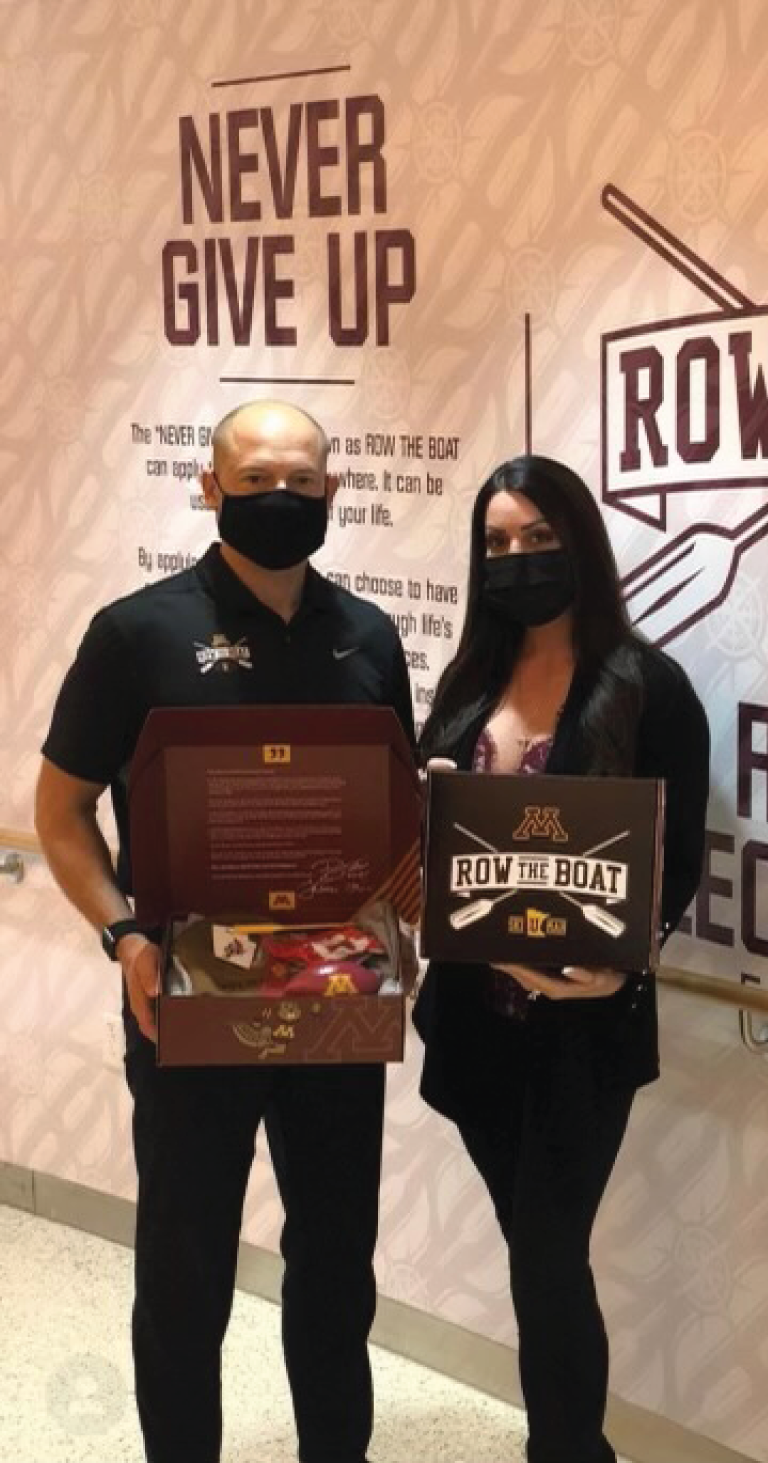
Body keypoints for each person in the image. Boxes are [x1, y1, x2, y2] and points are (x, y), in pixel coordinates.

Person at [35, 400, 414, 1463]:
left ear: (335, 493)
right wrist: (123, 936)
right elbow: (59, 810)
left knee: (338, 1259)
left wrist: (405, 925)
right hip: (186, 991)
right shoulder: (135, 634)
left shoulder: (369, 636)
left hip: (337, 991)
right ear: (209, 488)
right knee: (186, 1264)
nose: (278, 499)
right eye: (252, 481)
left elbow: (391, 822)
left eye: (300, 481)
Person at [414, 454, 710, 1463]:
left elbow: (677, 863)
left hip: (583, 1033)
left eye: (538, 541)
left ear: (579, 542)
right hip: (472, 1025)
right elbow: (429, 836)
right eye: (497, 545)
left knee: (546, 1255)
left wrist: (620, 964)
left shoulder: (649, 686)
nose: (517, 561)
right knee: (537, 1252)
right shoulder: (467, 681)